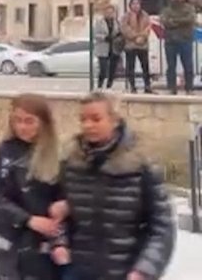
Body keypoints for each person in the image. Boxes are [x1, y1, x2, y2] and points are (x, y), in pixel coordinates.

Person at [51, 91, 175, 280]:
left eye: (96, 119)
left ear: (115, 120)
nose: (88, 125)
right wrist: (59, 243)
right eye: (83, 119)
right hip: (79, 270)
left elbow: (161, 224)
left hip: (126, 271)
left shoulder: (141, 163)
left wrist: (144, 269)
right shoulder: (71, 161)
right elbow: (59, 212)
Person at [0, 94, 70, 280]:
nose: (22, 127)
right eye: (18, 120)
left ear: (44, 123)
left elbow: (64, 204)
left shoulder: (58, 157)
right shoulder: (4, 151)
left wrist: (60, 242)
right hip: (9, 247)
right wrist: (27, 219)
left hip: (41, 253)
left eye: (29, 121)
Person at [160, 0, 197, 95]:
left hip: (185, 40)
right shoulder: (166, 10)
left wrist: (173, 21)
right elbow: (164, 21)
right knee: (171, 66)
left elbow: (190, 19)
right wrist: (180, 22)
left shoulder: (189, 8)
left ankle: (189, 88)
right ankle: (171, 88)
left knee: (188, 65)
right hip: (170, 41)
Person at [120, 0, 153, 93]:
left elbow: (148, 28)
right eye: (133, 4)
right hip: (130, 45)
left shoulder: (145, 15)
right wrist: (135, 37)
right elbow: (124, 28)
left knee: (145, 66)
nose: (136, 6)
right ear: (130, 6)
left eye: (137, 4)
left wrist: (142, 37)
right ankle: (132, 87)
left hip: (143, 45)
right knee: (131, 67)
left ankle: (147, 86)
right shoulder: (126, 16)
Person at [93, 4, 123, 89]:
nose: (109, 14)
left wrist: (118, 36)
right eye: (107, 12)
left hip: (114, 48)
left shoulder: (116, 22)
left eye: (111, 12)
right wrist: (104, 37)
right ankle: (100, 85)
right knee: (103, 69)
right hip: (103, 47)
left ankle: (109, 85)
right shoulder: (99, 22)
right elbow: (95, 34)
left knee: (112, 69)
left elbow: (120, 32)